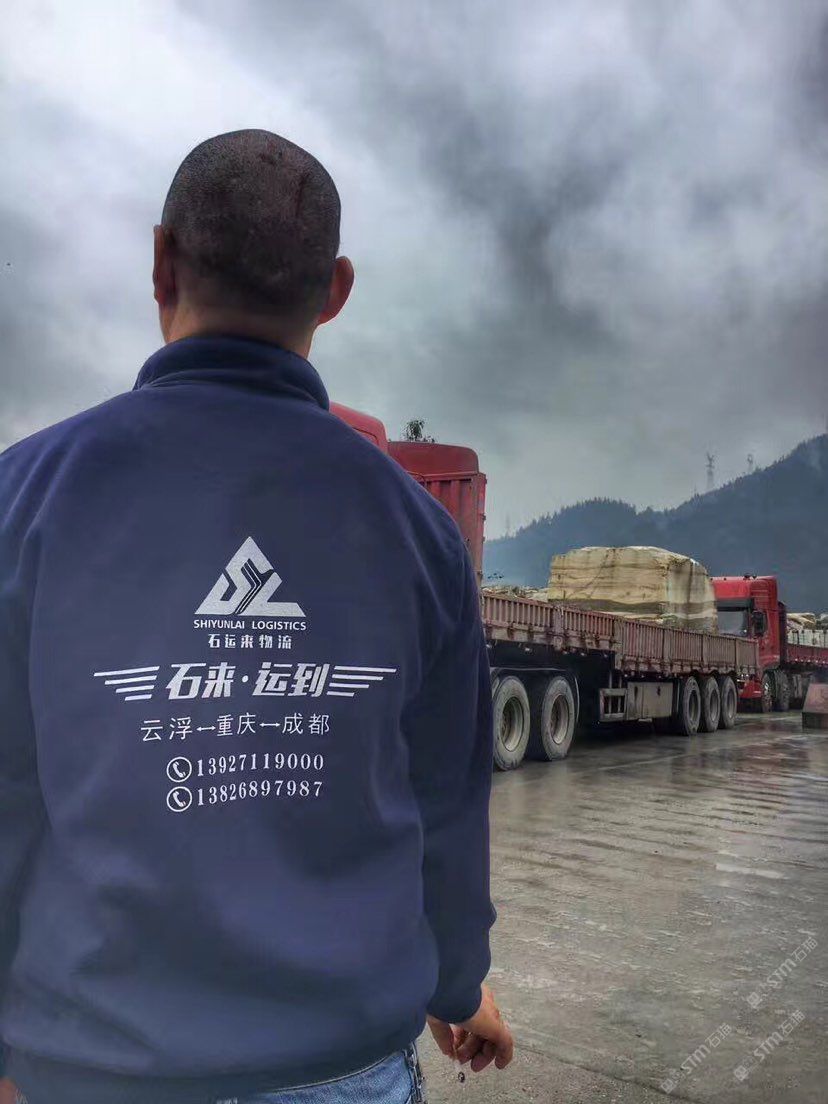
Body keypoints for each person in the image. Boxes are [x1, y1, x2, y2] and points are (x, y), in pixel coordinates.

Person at [0, 130, 513, 1104]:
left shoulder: (25, 501)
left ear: (161, 263)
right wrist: (456, 982)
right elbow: (448, 802)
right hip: (342, 1064)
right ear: (335, 291)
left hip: (97, 1060)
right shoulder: (419, 533)